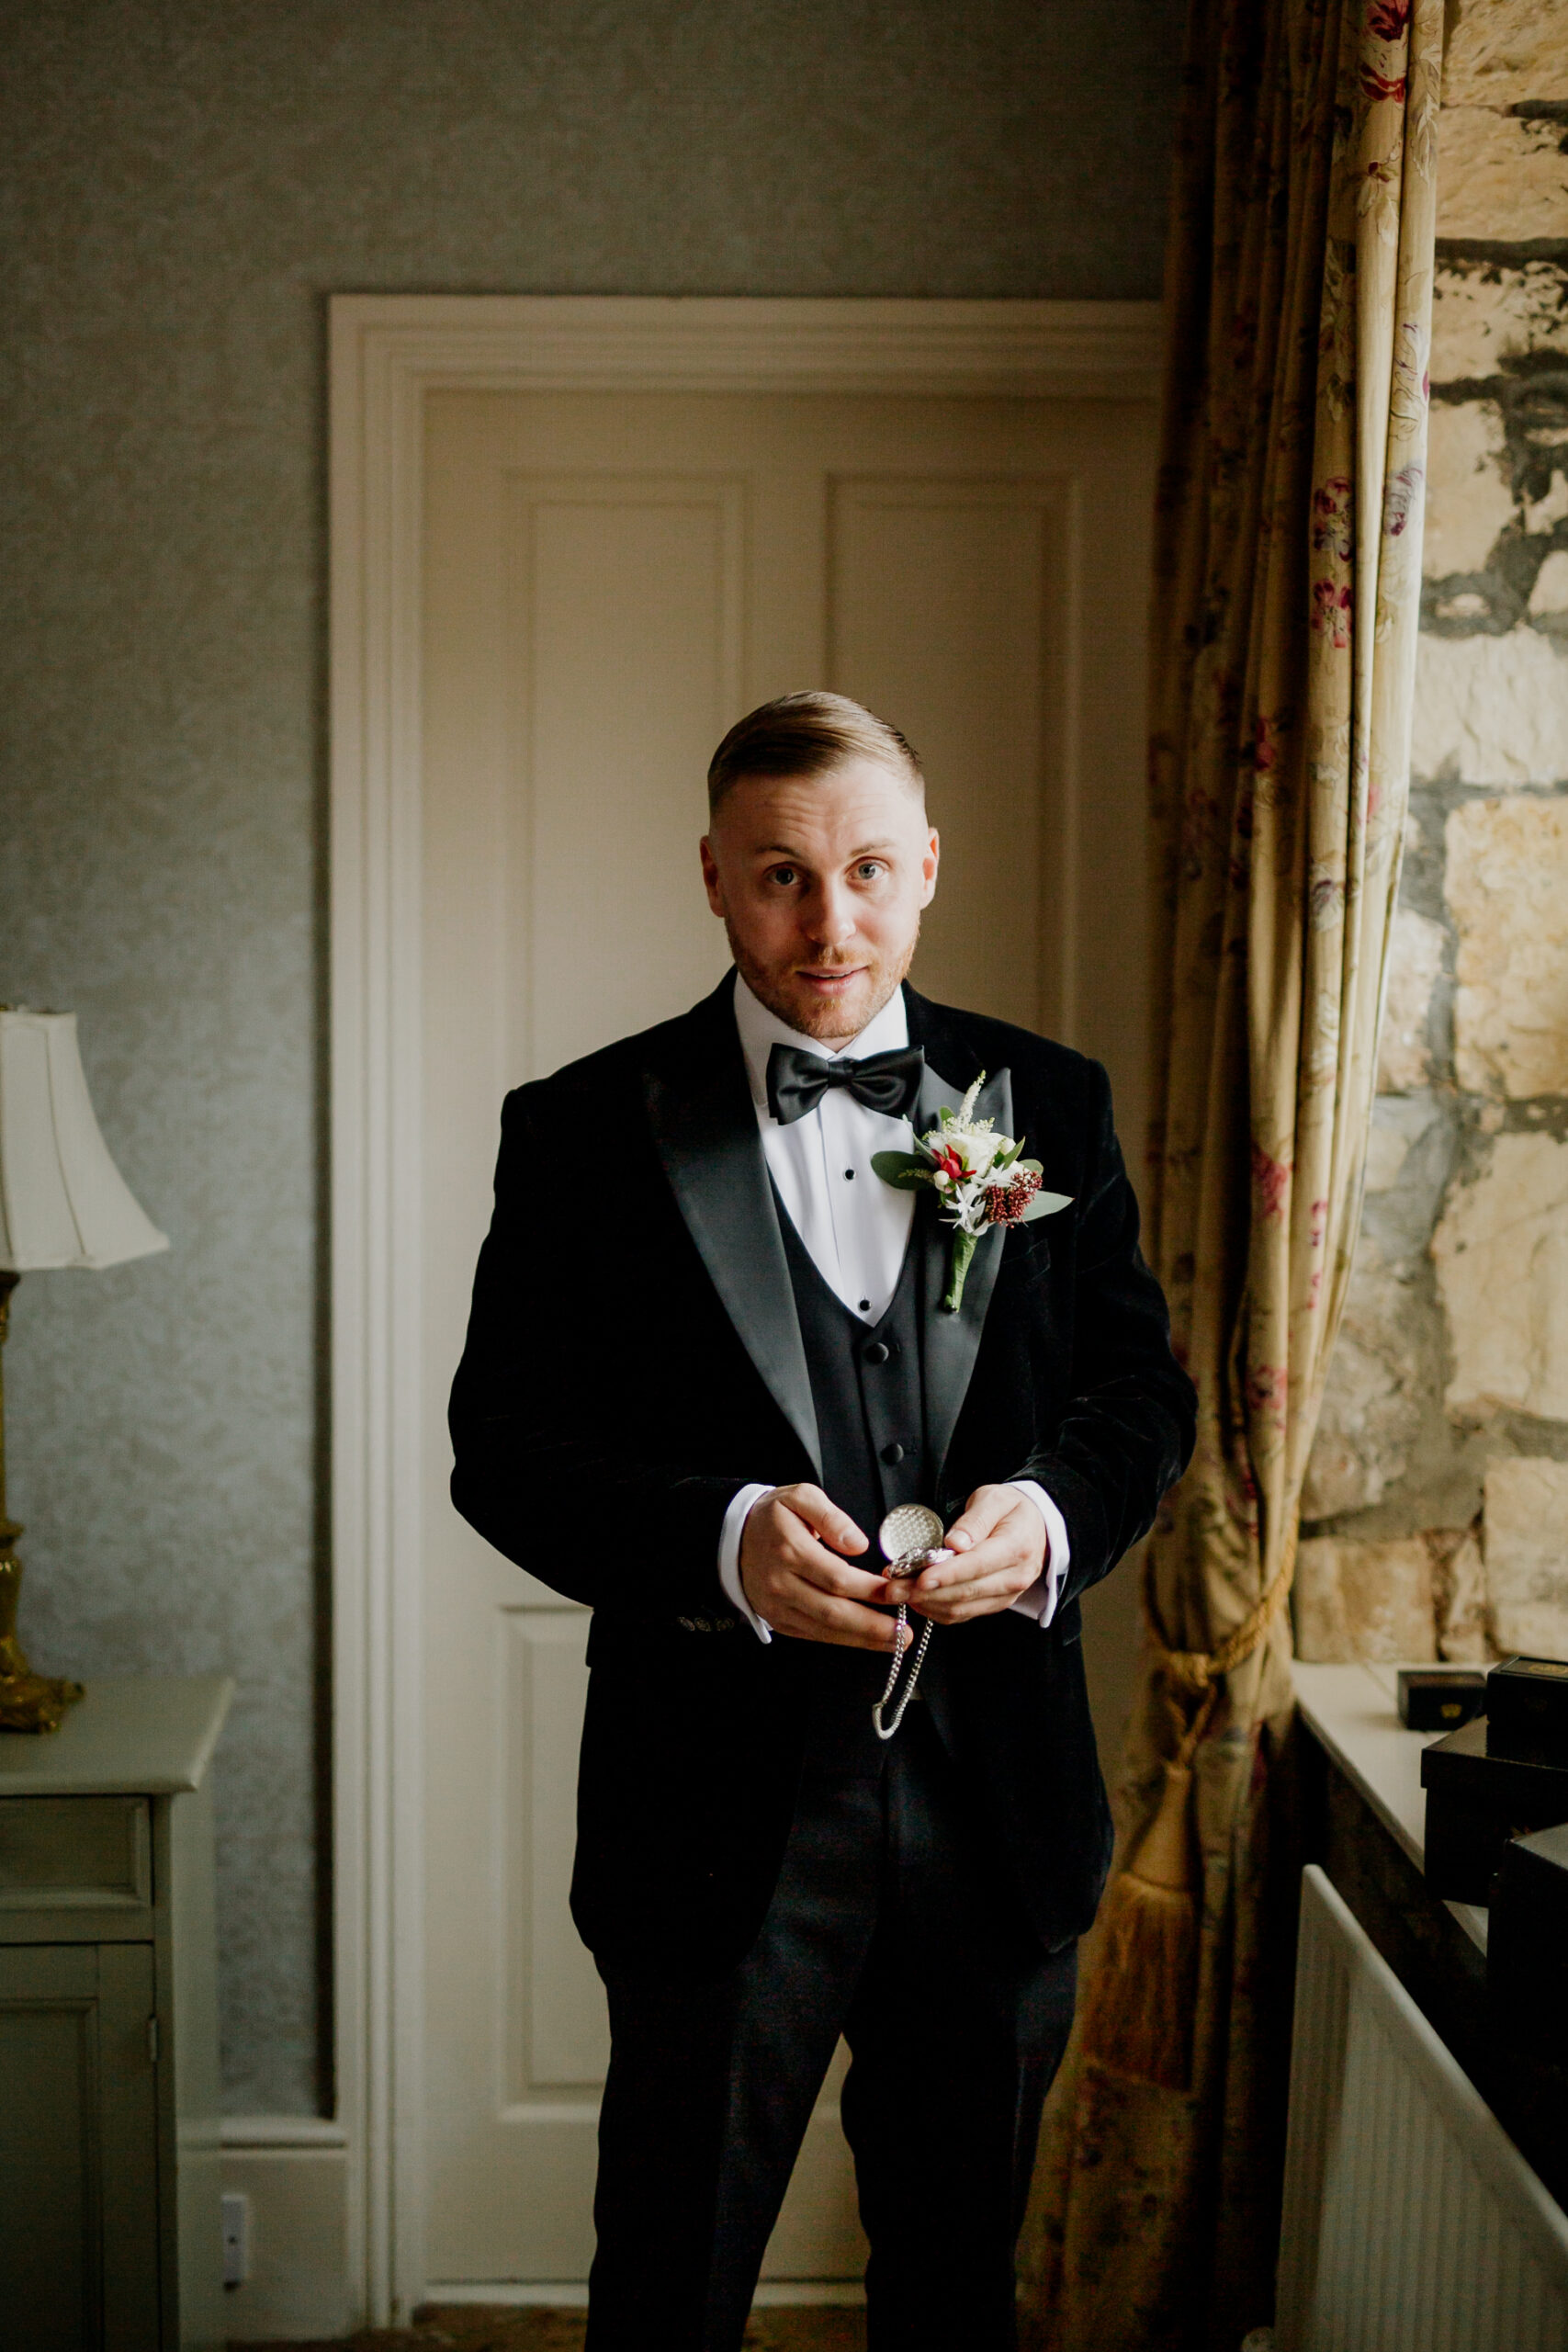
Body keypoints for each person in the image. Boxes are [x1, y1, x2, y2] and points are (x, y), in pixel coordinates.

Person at [448, 691, 1196, 2352]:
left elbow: (1142, 1401)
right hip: (716, 1828)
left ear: (928, 870)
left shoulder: (1046, 1108)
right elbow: (498, 1449)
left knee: (953, 2289)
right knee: (669, 2280)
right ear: (711, 878)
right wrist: (720, 1538)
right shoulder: (581, 1130)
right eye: (782, 876)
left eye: (867, 870)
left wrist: (1050, 1516)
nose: (829, 920)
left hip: (996, 1811)